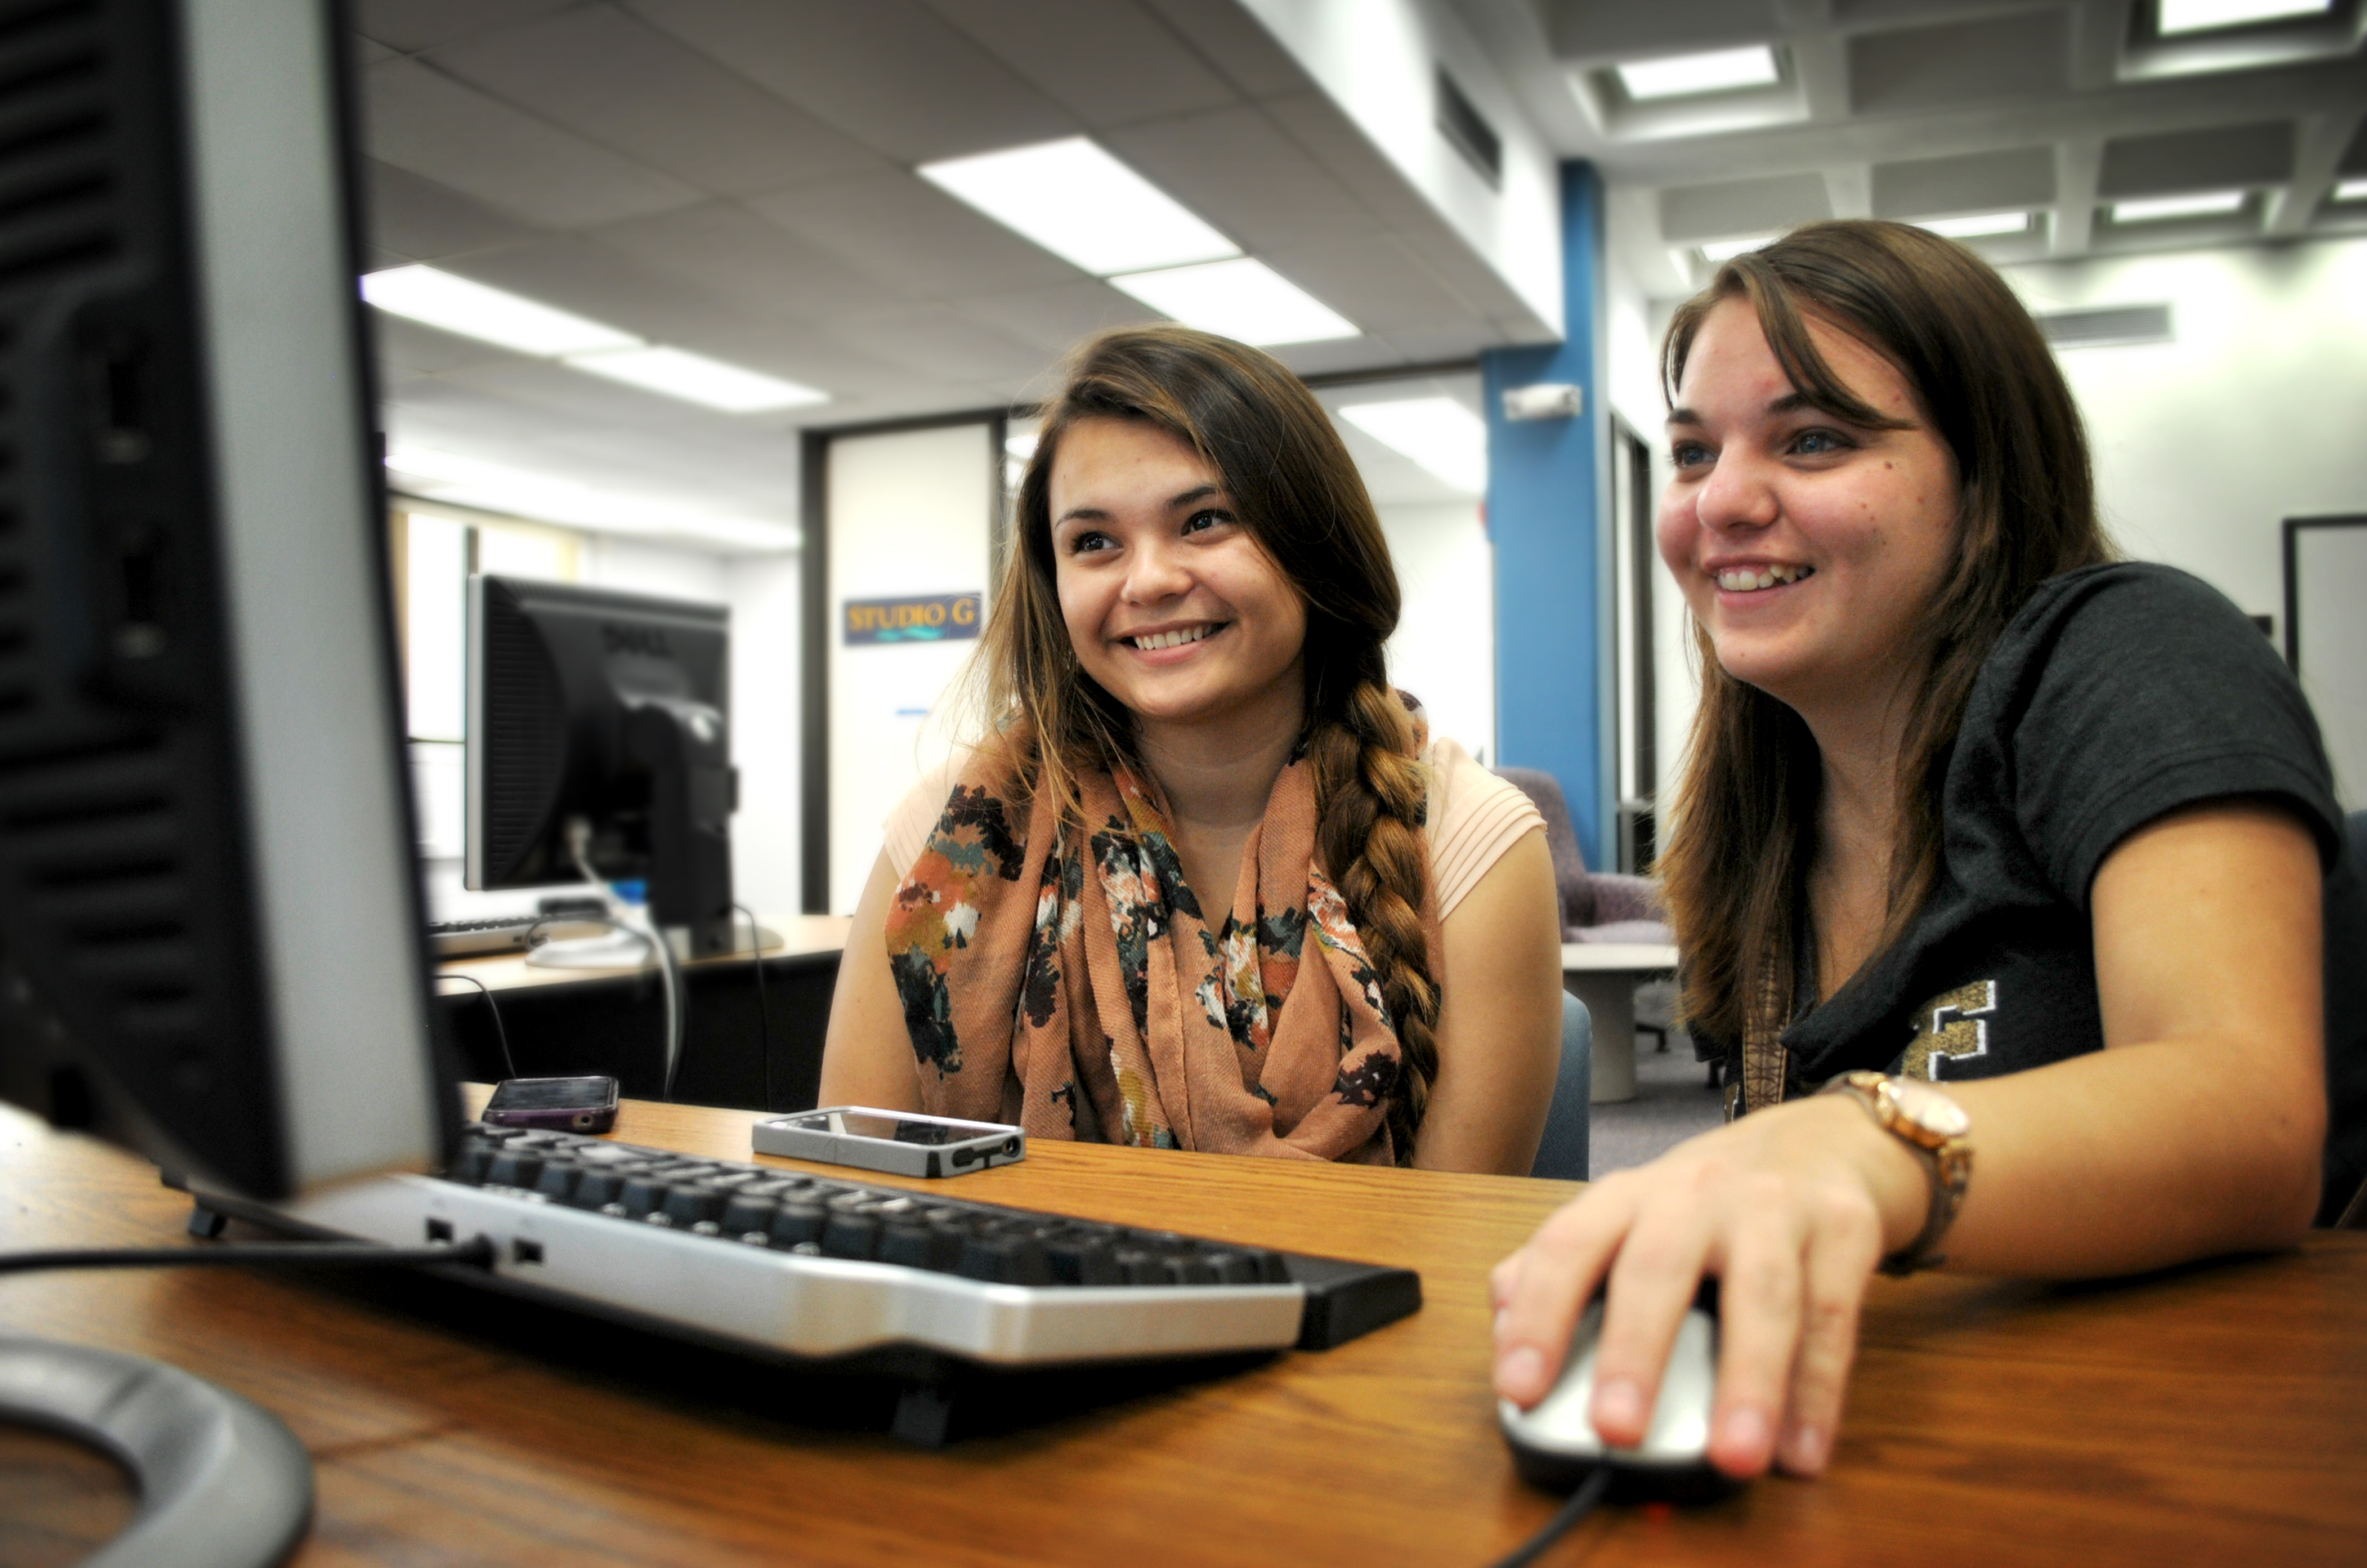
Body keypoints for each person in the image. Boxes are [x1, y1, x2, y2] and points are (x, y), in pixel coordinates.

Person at [1489, 219, 2366, 1482]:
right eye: (1692, 452)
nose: (1720, 500)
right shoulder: (1767, 804)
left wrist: (1858, 1139)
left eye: (1816, 438)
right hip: (1918, 1429)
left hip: (2205, 1447)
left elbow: (2252, 1112)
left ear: (1985, 472)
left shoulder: (2125, 648)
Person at [817, 326, 1564, 1173]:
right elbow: (859, 1181)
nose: (1147, 581)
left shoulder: (1470, 842)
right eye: (1093, 542)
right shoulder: (947, 832)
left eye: (1204, 521)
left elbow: (1452, 1255)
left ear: (1313, 546)